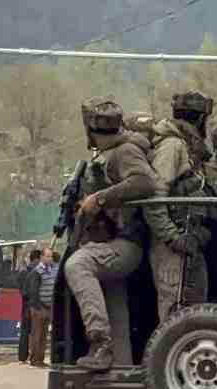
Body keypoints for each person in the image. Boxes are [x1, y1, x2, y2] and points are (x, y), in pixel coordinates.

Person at [64, 96, 158, 371]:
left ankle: (100, 342)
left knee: (78, 265)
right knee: (115, 309)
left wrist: (100, 199)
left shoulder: (125, 151)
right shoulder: (109, 153)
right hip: (110, 240)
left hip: (124, 243)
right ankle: (119, 370)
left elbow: (144, 183)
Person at [146, 90, 214, 320]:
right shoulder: (172, 146)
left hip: (188, 239)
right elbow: (154, 197)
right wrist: (173, 237)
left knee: (193, 309)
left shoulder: (187, 146)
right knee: (173, 309)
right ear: (200, 118)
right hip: (172, 244)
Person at [26, 247, 58, 367]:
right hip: (39, 307)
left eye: (51, 256)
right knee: (37, 335)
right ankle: (35, 359)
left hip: (49, 307)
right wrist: (38, 307)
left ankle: (41, 358)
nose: (50, 259)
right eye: (48, 256)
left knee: (44, 335)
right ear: (42, 257)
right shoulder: (37, 271)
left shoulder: (52, 270)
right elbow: (33, 291)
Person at [17, 249, 42, 364]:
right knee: (36, 331)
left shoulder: (23, 272)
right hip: (35, 304)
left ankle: (22, 356)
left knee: (24, 331)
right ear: (37, 258)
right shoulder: (39, 271)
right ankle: (35, 357)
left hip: (25, 304)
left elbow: (21, 289)